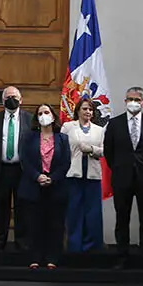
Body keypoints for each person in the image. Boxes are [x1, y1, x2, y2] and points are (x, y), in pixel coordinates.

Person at [103, 87, 143, 270]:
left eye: (136, 99)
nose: (132, 102)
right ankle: (122, 255)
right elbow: (108, 151)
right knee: (122, 217)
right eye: (129, 99)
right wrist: (120, 167)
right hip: (122, 176)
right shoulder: (115, 124)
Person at [19, 103, 71, 269]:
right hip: (34, 186)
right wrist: (37, 176)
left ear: (53, 116)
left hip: (56, 187)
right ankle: (35, 257)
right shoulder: (29, 137)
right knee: (34, 224)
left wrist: (52, 178)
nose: (43, 115)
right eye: (40, 113)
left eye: (46, 112)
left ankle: (52, 258)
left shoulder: (63, 138)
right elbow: (24, 160)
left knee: (55, 224)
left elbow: (66, 163)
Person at [0, 86, 32, 252]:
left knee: (22, 207)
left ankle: (21, 240)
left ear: (21, 99)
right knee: (1, 207)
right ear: (3, 100)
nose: (12, 99)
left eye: (15, 96)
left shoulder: (29, 119)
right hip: (2, 169)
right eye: (8, 96)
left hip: (22, 170)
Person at [60, 97, 105, 253]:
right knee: (74, 211)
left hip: (92, 175)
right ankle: (74, 246)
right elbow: (61, 148)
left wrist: (91, 149)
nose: (88, 112)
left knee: (92, 212)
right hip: (73, 174)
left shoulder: (99, 130)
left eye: (90, 109)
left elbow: (104, 151)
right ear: (78, 110)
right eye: (84, 108)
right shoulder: (68, 127)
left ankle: (92, 246)